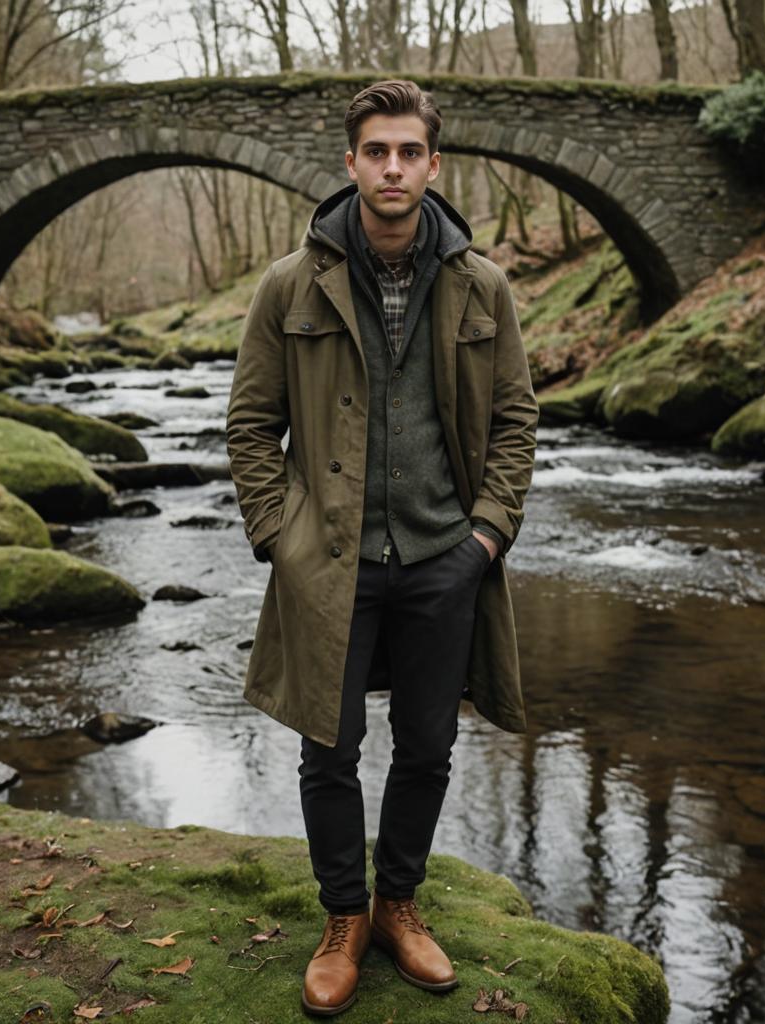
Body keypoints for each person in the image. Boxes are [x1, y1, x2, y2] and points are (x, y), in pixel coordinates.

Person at [226, 78, 539, 1017]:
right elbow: (250, 425)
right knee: (329, 750)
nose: (393, 167)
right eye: (377, 151)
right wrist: (281, 535)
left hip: (447, 555)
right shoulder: (292, 283)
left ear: (432, 165)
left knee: (429, 746)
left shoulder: (481, 282)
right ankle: (343, 917)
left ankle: (401, 905)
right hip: (328, 562)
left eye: (409, 152)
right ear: (350, 161)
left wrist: (486, 534)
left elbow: (518, 421)